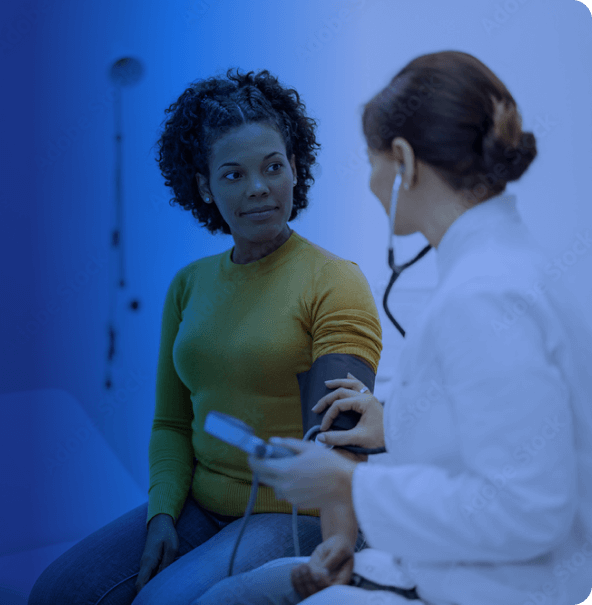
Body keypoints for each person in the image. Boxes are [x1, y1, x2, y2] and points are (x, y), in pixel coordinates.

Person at [192, 51, 592, 605]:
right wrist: (398, 423)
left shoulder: (484, 296)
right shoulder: (502, 270)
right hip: (463, 567)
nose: (373, 183)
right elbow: (499, 431)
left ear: (402, 161)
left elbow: (527, 508)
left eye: (372, 160)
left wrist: (348, 484)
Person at [27, 68, 383, 605]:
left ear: (295, 167)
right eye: (234, 174)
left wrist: (339, 547)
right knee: (58, 590)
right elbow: (171, 422)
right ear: (205, 186)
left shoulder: (334, 281)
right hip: (201, 504)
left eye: (273, 166)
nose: (259, 187)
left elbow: (340, 444)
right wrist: (162, 515)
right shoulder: (188, 284)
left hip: (295, 513)